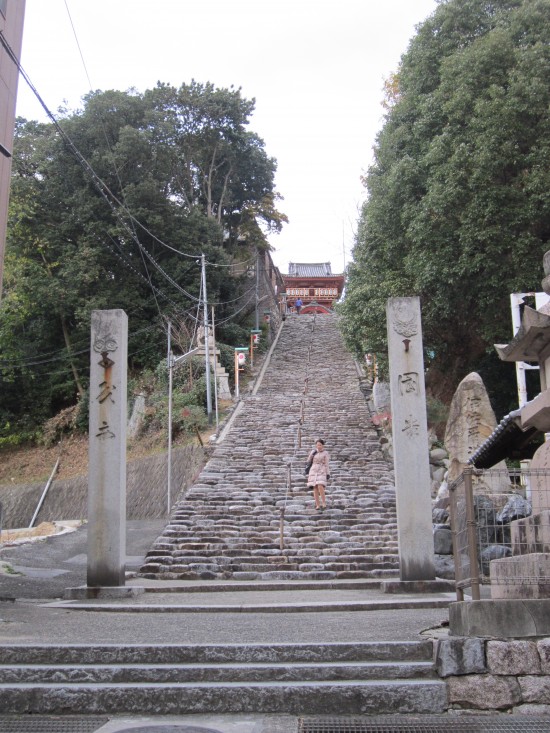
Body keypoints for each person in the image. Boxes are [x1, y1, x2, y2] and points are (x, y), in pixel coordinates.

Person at [306, 439, 330, 511]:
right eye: (317, 445)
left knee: (320, 485)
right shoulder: (313, 452)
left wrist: (328, 473)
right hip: (313, 470)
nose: (318, 446)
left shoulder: (325, 453)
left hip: (322, 470)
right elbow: (308, 461)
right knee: (315, 487)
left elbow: (327, 464)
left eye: (320, 445)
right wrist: (312, 455)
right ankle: (317, 504)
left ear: (322, 445)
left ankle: (323, 502)